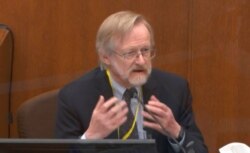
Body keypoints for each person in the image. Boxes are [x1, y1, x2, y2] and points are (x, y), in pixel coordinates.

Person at [55, 11, 208, 153]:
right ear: (106, 57)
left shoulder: (174, 89)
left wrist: (176, 131)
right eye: (130, 53)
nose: (141, 61)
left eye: (146, 50)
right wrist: (90, 137)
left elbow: (200, 150)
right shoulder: (74, 97)